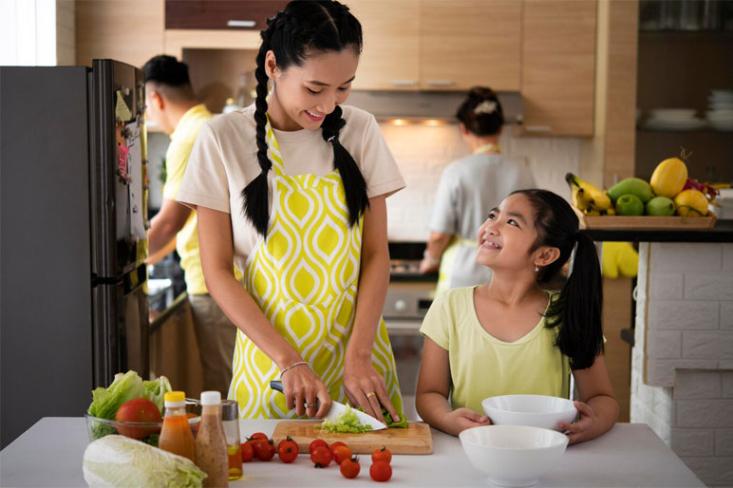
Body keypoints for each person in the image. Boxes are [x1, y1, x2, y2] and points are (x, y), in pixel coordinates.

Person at [176, 0, 405, 424]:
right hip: (272, 370)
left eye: (344, 88)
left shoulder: (361, 131)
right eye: (315, 89)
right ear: (273, 66)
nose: (329, 105)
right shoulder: (222, 138)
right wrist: (289, 361)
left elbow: (376, 255)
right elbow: (218, 271)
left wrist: (359, 356)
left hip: (360, 367)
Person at [416, 189, 619, 443]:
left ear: (544, 255)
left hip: (545, 455)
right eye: (493, 215)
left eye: (512, 222)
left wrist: (595, 422)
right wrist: (447, 419)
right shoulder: (450, 306)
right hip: (471, 451)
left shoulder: (566, 314)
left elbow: (602, 398)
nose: (491, 226)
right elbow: (429, 393)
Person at [143, 55, 237, 395]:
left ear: (156, 98)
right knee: (230, 379)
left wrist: (121, 270)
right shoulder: (210, 126)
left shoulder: (188, 138)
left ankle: (234, 448)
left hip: (213, 283)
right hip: (228, 279)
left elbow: (169, 224)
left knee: (223, 387)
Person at [419, 87, 535, 292]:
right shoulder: (523, 171)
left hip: (464, 271)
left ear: (463, 129)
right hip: (509, 272)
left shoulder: (456, 172)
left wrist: (431, 259)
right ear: (500, 129)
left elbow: (439, 235)